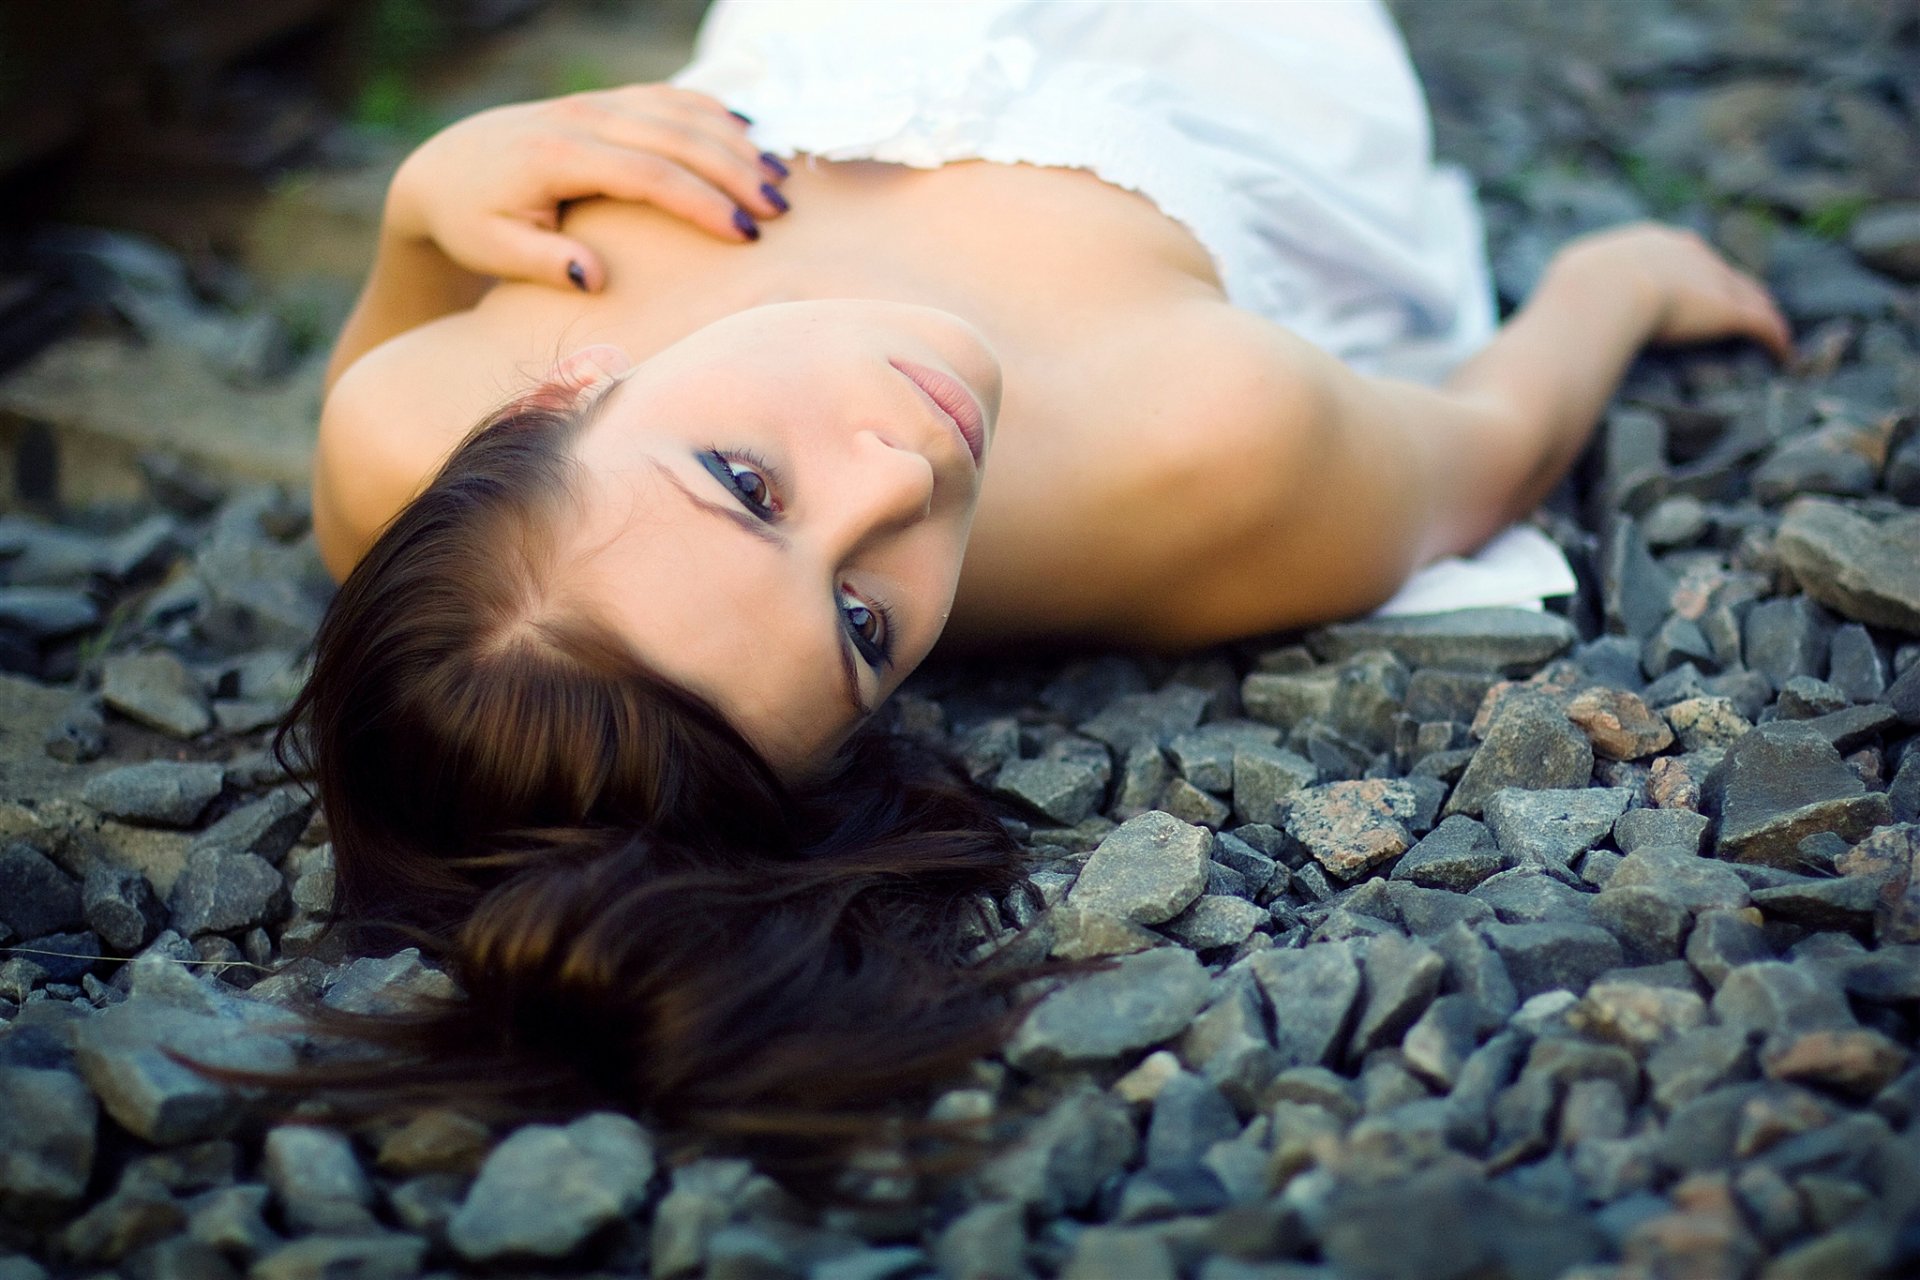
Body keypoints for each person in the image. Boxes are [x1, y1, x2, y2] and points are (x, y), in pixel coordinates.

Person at [280, 0, 1791, 1162]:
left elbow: (382, 357)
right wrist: (1623, 279)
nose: (901, 479)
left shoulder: (402, 440)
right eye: (864, 629)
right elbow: (1490, 442)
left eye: (747, 485)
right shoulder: (1211, 453)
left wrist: (425, 209)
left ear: (550, 399)